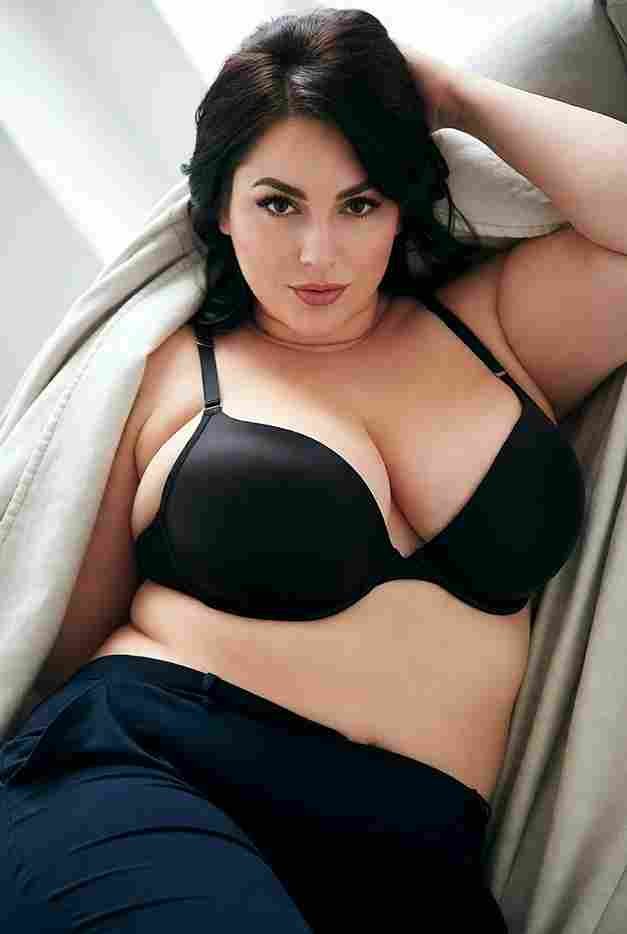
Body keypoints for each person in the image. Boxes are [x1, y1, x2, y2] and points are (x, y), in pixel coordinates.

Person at [14, 2, 627, 928]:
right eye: (278, 203)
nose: (317, 253)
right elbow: (59, 632)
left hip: (414, 858)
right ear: (218, 208)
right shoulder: (162, 376)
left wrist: (453, 94)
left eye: (358, 203)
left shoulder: (498, 333)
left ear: (400, 204)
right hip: (153, 779)